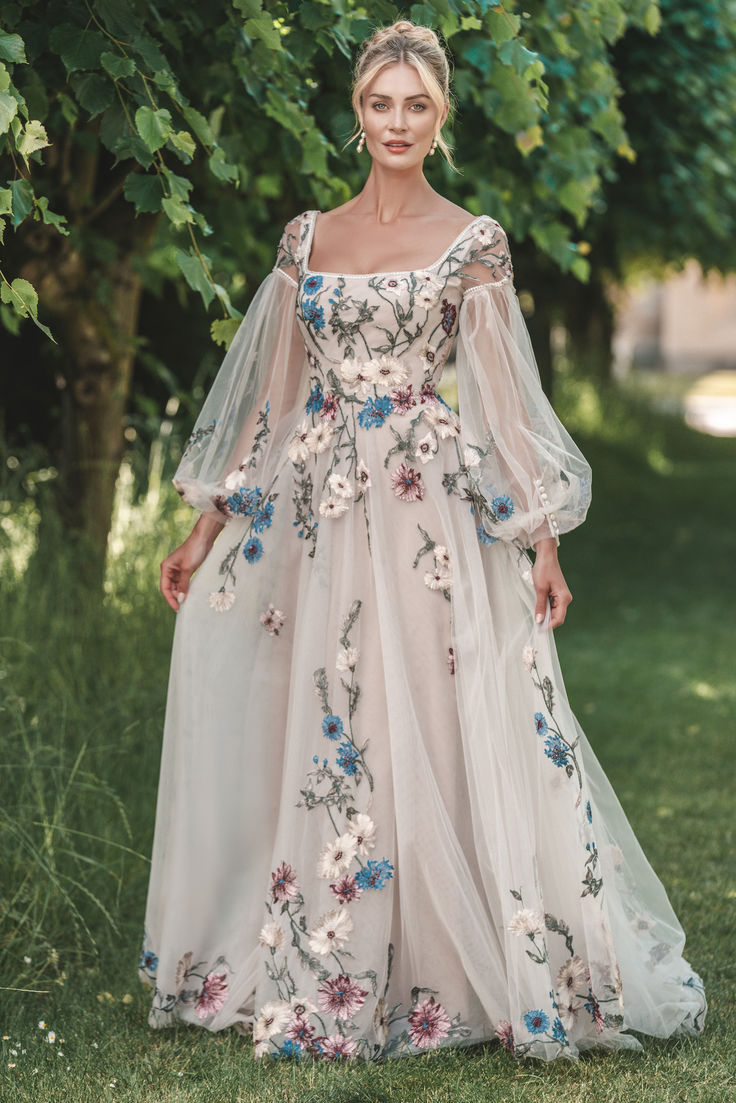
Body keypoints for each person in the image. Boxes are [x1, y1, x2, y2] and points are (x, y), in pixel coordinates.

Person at [139, 20, 707, 1063]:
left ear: (440, 118)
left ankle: (450, 956)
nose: (395, 122)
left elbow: (497, 401)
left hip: (425, 505)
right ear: (354, 115)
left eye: (415, 105)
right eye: (377, 103)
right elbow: (270, 400)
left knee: (437, 711)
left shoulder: (472, 240)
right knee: (328, 710)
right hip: (314, 506)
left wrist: (540, 540)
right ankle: (327, 942)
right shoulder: (306, 240)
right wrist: (204, 521)